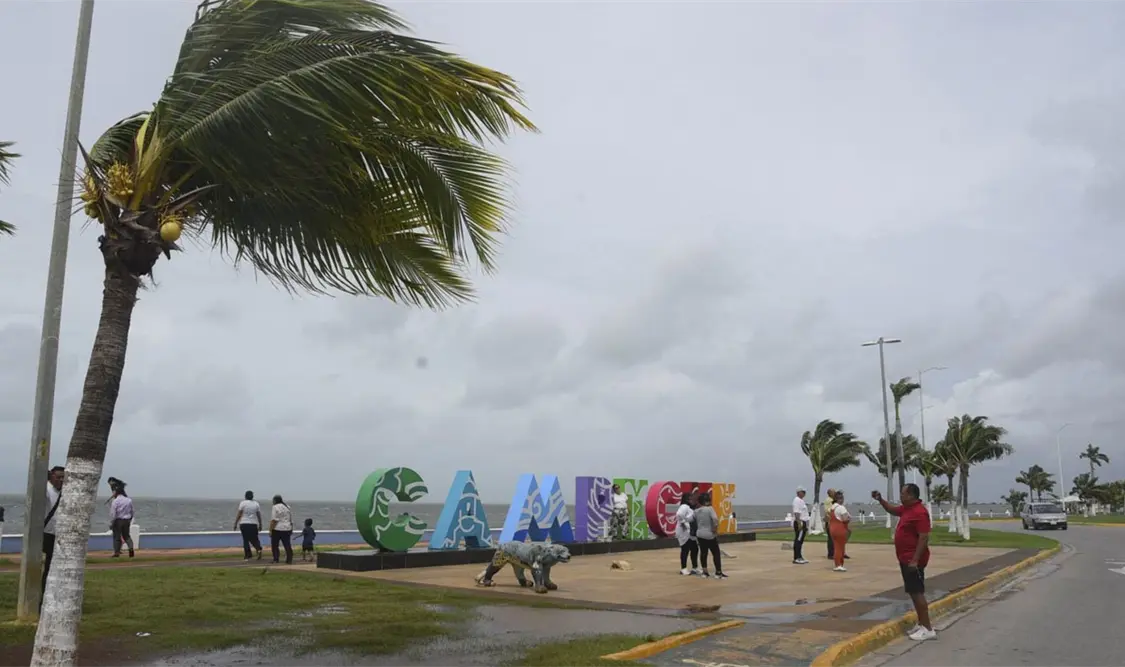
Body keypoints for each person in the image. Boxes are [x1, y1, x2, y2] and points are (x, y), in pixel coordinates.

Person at [873, 484, 935, 641]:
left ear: (911, 495)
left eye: (903, 494)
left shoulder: (920, 512)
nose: (900, 496)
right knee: (913, 593)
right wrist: (881, 500)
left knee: (917, 592)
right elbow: (892, 510)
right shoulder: (907, 509)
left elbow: (924, 537)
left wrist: (915, 559)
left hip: (913, 560)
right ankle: (921, 624)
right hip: (905, 558)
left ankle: (928, 628)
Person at [42, 466, 65, 598]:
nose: (61, 480)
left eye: (63, 477)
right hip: (47, 533)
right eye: (58, 477)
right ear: (51, 476)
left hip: (59, 534)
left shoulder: (64, 492)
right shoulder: (46, 489)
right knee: (49, 566)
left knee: (54, 567)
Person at [695, 492, 727, 579]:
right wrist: (715, 528)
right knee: (716, 552)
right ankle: (718, 572)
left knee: (703, 553)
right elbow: (715, 519)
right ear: (707, 501)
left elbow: (692, 520)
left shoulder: (696, 511)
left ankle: (705, 572)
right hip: (709, 534)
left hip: (700, 534)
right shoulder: (710, 509)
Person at [109, 479, 135, 558]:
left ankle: (116, 552)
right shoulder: (129, 500)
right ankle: (131, 549)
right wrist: (130, 519)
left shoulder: (115, 501)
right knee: (127, 536)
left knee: (117, 537)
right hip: (126, 520)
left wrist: (111, 523)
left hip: (118, 521)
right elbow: (132, 511)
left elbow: (113, 513)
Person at [234, 490, 263, 560]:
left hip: (244, 523)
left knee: (246, 540)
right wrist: (260, 524)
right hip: (253, 524)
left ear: (245, 496)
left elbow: (239, 513)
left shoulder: (243, 503)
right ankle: (258, 549)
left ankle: (248, 554)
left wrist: (235, 523)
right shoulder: (256, 504)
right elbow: (258, 515)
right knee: (255, 539)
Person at [676, 491, 700, 575]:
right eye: (690, 498)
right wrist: (684, 523)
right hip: (684, 532)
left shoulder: (690, 508)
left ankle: (695, 567)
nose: (692, 500)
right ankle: (683, 568)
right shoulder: (684, 506)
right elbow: (679, 514)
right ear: (686, 499)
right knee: (685, 549)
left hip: (690, 533)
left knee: (694, 549)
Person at [829, 490, 851, 571]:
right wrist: (848, 519)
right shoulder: (841, 507)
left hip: (832, 528)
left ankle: (838, 564)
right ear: (840, 499)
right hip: (840, 528)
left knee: (836, 546)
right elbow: (845, 518)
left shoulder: (832, 507)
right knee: (840, 547)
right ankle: (839, 564)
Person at [269, 495, 294, 564]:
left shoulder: (275, 507)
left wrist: (270, 530)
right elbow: (291, 519)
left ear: (275, 500)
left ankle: (276, 559)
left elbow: (274, 520)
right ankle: (289, 559)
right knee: (287, 544)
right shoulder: (287, 507)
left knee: (275, 545)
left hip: (277, 528)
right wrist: (291, 528)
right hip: (287, 528)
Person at [792, 486, 809, 565]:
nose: (804, 493)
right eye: (803, 492)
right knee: (798, 540)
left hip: (803, 521)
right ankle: (797, 557)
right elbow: (797, 513)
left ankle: (800, 556)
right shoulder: (797, 500)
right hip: (800, 522)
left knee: (800, 540)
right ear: (798, 492)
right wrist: (799, 523)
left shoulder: (801, 501)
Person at [824, 487, 836, 561]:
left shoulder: (833, 500)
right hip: (830, 521)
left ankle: (834, 553)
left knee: (833, 538)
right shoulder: (829, 501)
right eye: (833, 492)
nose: (835, 493)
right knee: (831, 538)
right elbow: (828, 511)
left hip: (832, 521)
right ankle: (831, 554)